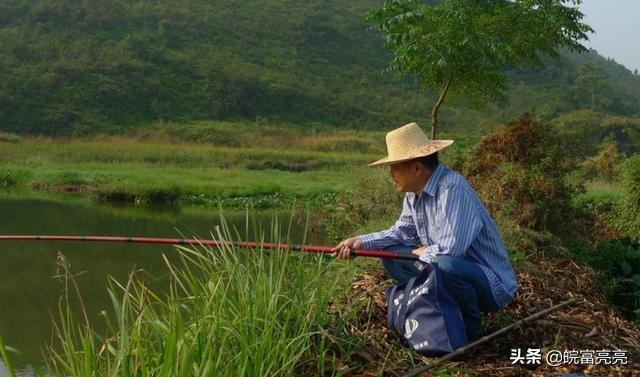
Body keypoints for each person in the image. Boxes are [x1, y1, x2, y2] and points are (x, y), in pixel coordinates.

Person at [331, 122, 517, 342]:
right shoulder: (414, 194)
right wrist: (361, 242)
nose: (391, 174)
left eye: (395, 167)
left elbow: (451, 251)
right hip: (451, 270)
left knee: (444, 264)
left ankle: (468, 331)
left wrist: (423, 252)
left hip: (490, 284)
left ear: (417, 168)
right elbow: (401, 233)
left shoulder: (451, 189)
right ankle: (438, 310)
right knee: (390, 254)